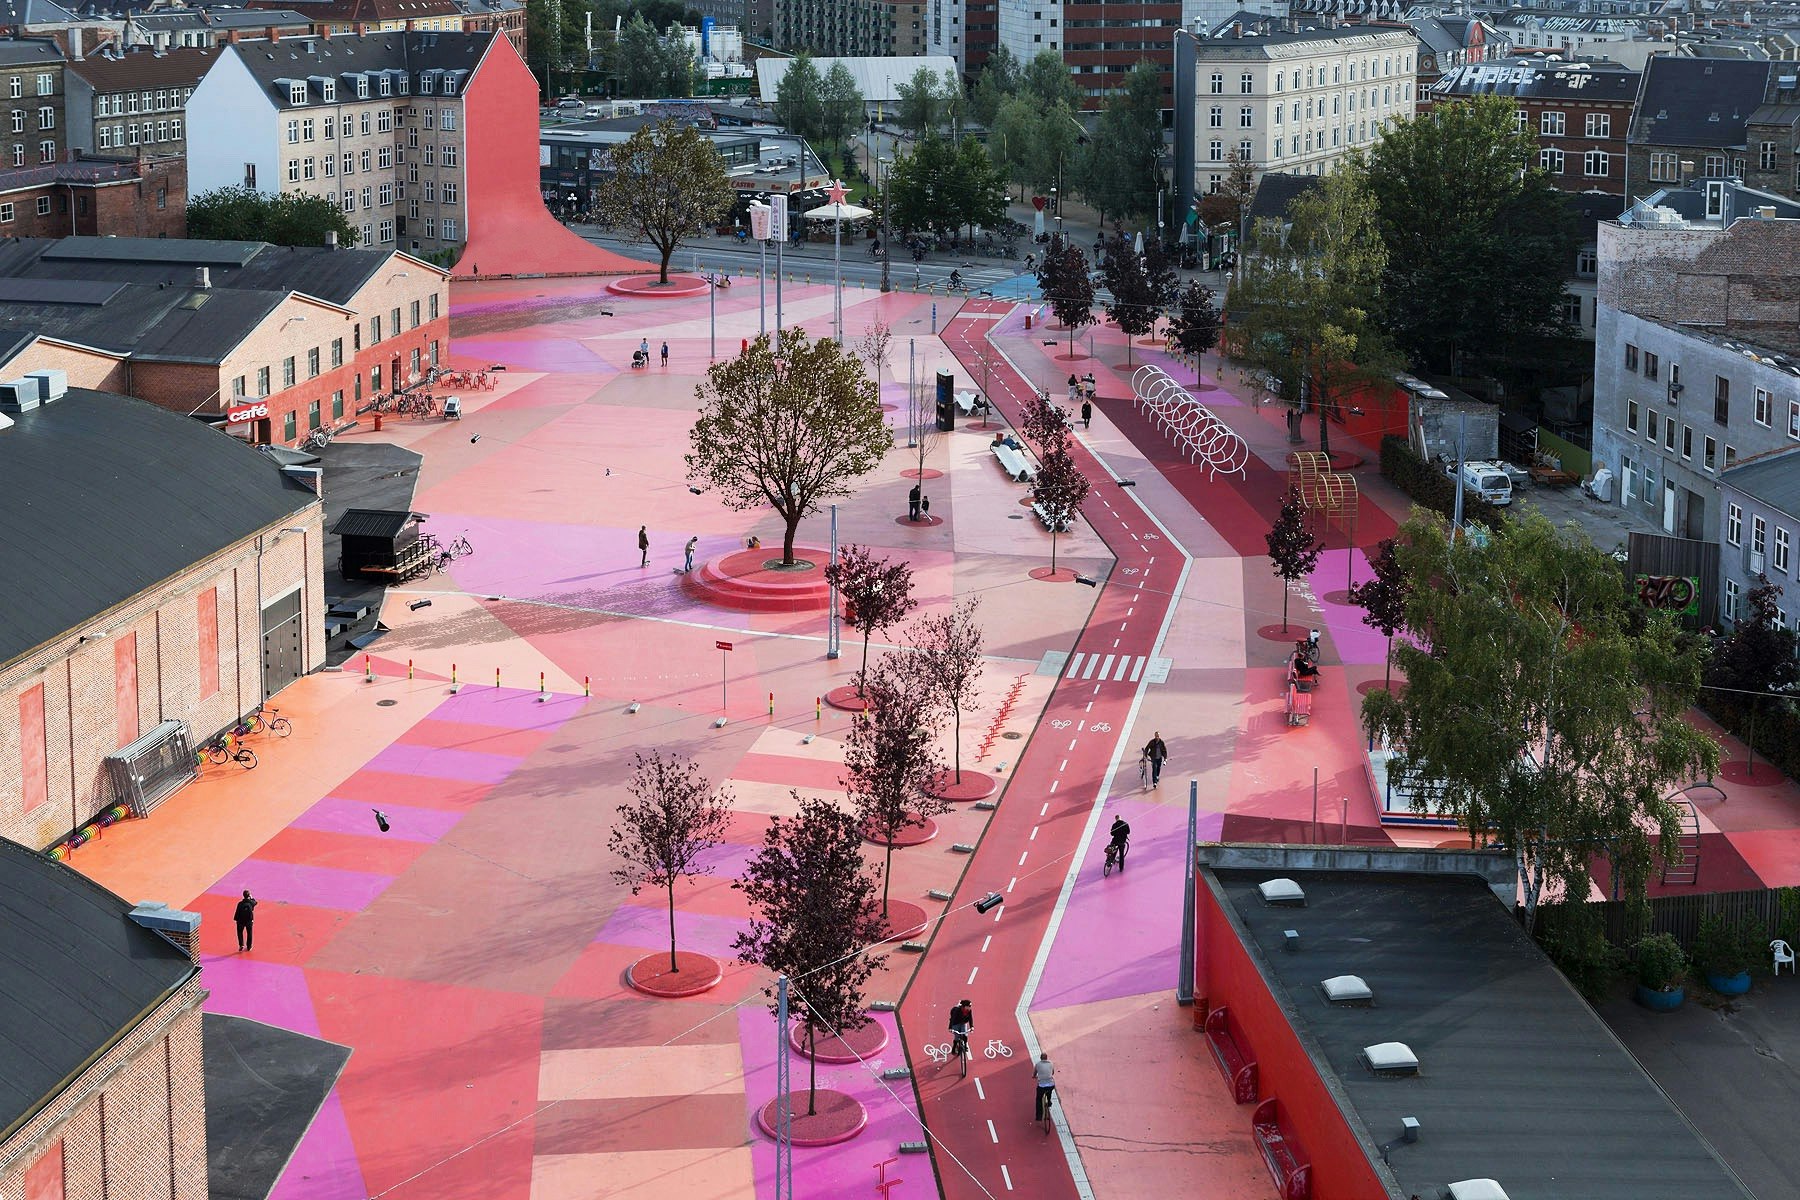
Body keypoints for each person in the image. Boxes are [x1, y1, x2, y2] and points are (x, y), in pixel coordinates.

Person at [1034, 1053, 1056, 1121]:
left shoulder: (1038, 1064)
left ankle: (1039, 1117)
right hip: (1050, 1084)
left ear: (1040, 1058)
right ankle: (1049, 1101)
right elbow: (1052, 1073)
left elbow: (1034, 1073)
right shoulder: (1051, 1064)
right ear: (1046, 1058)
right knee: (1049, 1091)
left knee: (1038, 1099)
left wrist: (1034, 1076)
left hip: (1041, 1086)